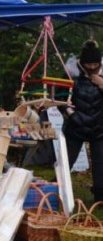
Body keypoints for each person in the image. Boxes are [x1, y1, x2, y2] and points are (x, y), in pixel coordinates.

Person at [65, 40, 103, 202]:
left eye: (96, 64)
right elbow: (59, 100)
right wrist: (70, 113)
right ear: (82, 63)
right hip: (75, 127)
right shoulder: (70, 76)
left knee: (101, 166)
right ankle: (58, 191)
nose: (93, 67)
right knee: (65, 163)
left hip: (100, 128)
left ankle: (100, 199)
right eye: (89, 64)